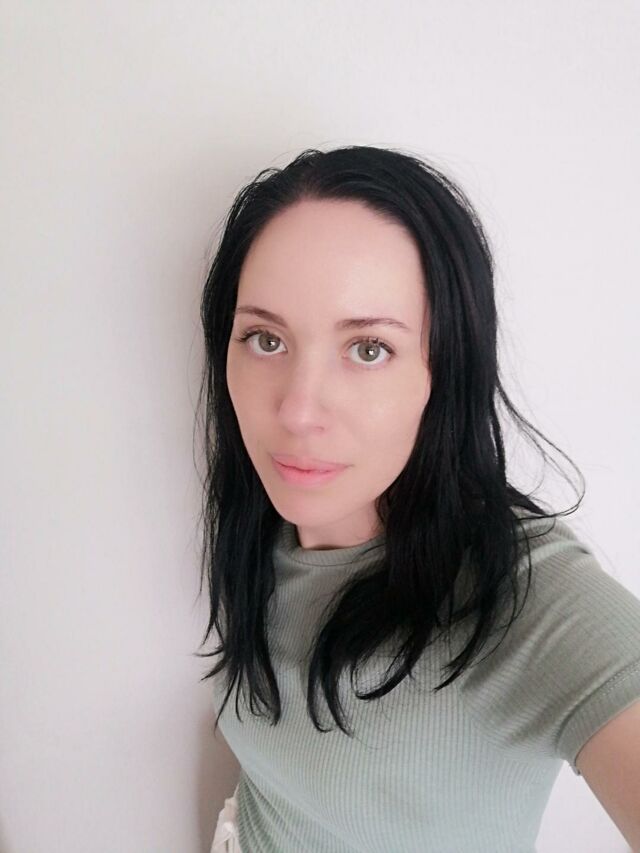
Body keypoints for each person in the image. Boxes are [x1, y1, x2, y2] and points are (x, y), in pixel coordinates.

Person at [195, 145, 640, 852]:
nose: (298, 411)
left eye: (368, 348)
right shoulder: (260, 519)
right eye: (265, 338)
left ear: (445, 370)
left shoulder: (526, 596)